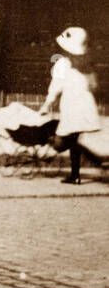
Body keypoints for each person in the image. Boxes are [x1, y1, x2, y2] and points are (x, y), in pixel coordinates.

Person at [40, 26, 101, 184]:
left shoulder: (62, 63)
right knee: (74, 140)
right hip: (86, 107)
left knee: (62, 142)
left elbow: (56, 87)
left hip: (71, 107)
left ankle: (98, 161)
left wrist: (47, 104)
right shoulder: (87, 65)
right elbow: (94, 86)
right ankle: (75, 175)